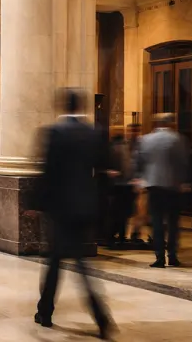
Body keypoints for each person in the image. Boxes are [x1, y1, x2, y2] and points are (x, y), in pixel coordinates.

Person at [35, 89, 114, 338]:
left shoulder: (55, 133)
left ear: (62, 106)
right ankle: (98, 317)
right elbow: (104, 168)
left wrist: (37, 203)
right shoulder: (93, 133)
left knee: (57, 260)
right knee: (73, 260)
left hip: (61, 208)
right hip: (85, 207)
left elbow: (48, 172)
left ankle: (47, 312)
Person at [134, 113, 191, 268]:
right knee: (173, 223)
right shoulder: (177, 139)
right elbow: (183, 162)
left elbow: (139, 161)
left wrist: (140, 178)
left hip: (154, 185)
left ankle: (159, 257)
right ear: (171, 123)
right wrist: (184, 181)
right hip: (173, 186)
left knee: (157, 222)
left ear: (156, 124)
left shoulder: (146, 139)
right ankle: (172, 255)